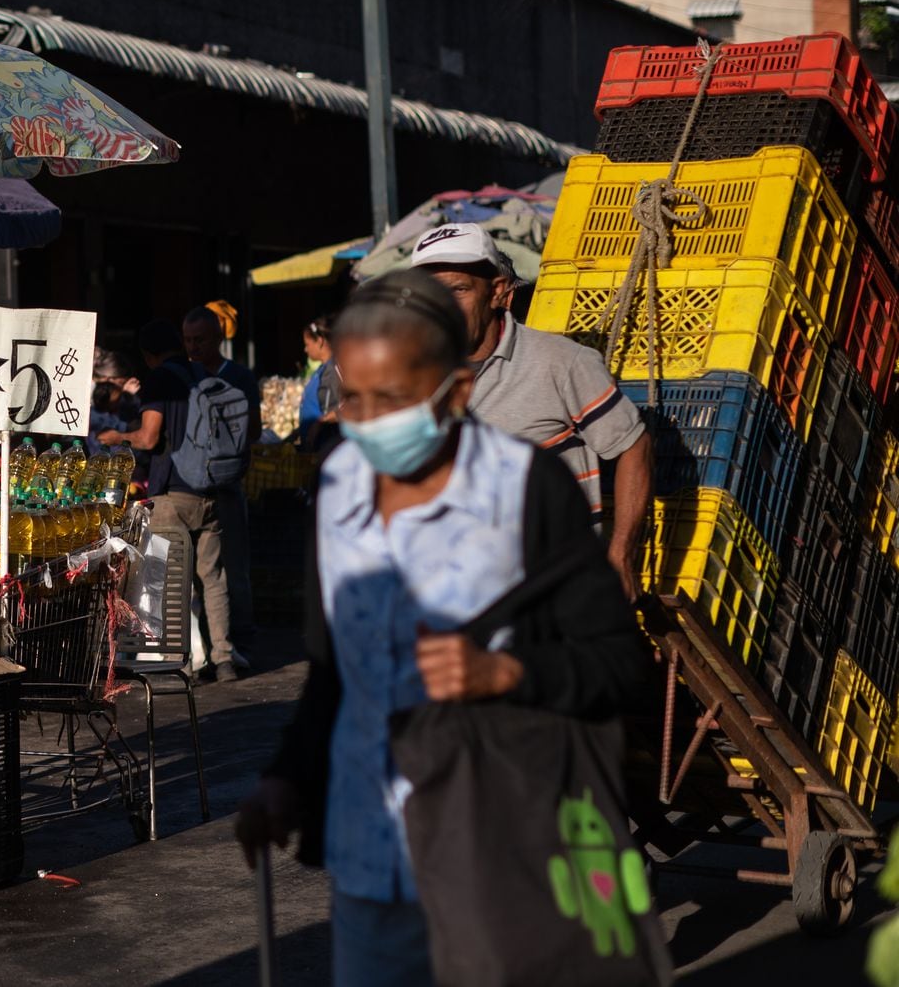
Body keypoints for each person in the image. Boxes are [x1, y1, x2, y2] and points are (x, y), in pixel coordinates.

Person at [232, 269, 650, 987]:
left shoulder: (526, 491)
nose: (368, 423)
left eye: (392, 398)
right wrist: (285, 778)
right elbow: (336, 669)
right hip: (373, 861)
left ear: (456, 391)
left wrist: (508, 673)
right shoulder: (336, 492)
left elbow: (619, 664)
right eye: (352, 398)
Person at [408, 223, 652, 598]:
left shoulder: (562, 363)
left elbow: (633, 446)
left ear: (498, 293)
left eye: (458, 290)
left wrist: (621, 554)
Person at [97, 319, 246, 681]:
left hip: (172, 493)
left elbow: (148, 438)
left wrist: (118, 436)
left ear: (148, 355)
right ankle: (223, 658)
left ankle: (181, 662)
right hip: (209, 489)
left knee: (169, 580)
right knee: (212, 577)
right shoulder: (199, 374)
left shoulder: (160, 380)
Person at [182, 305, 260, 671]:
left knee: (229, 566)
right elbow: (255, 432)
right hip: (211, 483)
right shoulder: (238, 377)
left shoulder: (198, 378)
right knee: (217, 570)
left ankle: (234, 641)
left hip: (222, 484)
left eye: (199, 339)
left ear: (218, 338)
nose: (192, 347)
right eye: (188, 340)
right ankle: (222, 646)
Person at [298, 315, 343, 452]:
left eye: (307, 344)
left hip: (331, 448)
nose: (305, 350)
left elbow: (348, 406)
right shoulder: (321, 370)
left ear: (320, 341)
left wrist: (320, 423)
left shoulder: (335, 369)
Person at [86, 350, 141, 458]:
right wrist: (126, 396)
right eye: (121, 383)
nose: (122, 386)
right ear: (108, 379)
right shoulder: (94, 397)